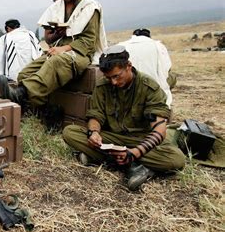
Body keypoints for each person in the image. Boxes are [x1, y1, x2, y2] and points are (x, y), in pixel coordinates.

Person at [62, 45, 185, 191]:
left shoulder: (149, 87)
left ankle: (112, 160)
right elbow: (96, 115)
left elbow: (159, 130)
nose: (113, 82)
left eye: (116, 76)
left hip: (140, 140)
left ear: (128, 66)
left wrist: (136, 152)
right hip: (113, 139)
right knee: (70, 132)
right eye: (109, 78)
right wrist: (94, 133)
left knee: (176, 159)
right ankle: (136, 166)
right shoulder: (102, 86)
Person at [0, 0, 107, 107]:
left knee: (56, 62)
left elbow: (88, 41)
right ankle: (44, 109)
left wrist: (64, 49)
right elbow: (48, 39)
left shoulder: (89, 7)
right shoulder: (57, 6)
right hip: (57, 50)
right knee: (25, 74)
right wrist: (57, 34)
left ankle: (20, 94)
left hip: (80, 53)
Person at [118, 28, 174, 107]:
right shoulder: (158, 45)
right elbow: (166, 68)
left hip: (126, 93)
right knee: (172, 77)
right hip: (155, 92)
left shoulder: (121, 45)